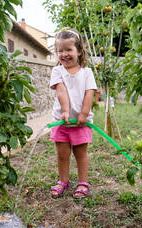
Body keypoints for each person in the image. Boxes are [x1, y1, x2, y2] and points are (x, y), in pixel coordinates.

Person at [49, 28, 97, 199]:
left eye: (68, 49)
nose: (64, 54)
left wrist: (83, 114)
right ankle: (63, 181)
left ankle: (83, 182)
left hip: (80, 123)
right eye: (60, 50)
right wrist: (66, 112)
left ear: (79, 51)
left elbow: (89, 93)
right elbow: (61, 91)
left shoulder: (87, 72)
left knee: (80, 153)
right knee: (62, 154)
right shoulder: (57, 71)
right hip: (61, 121)